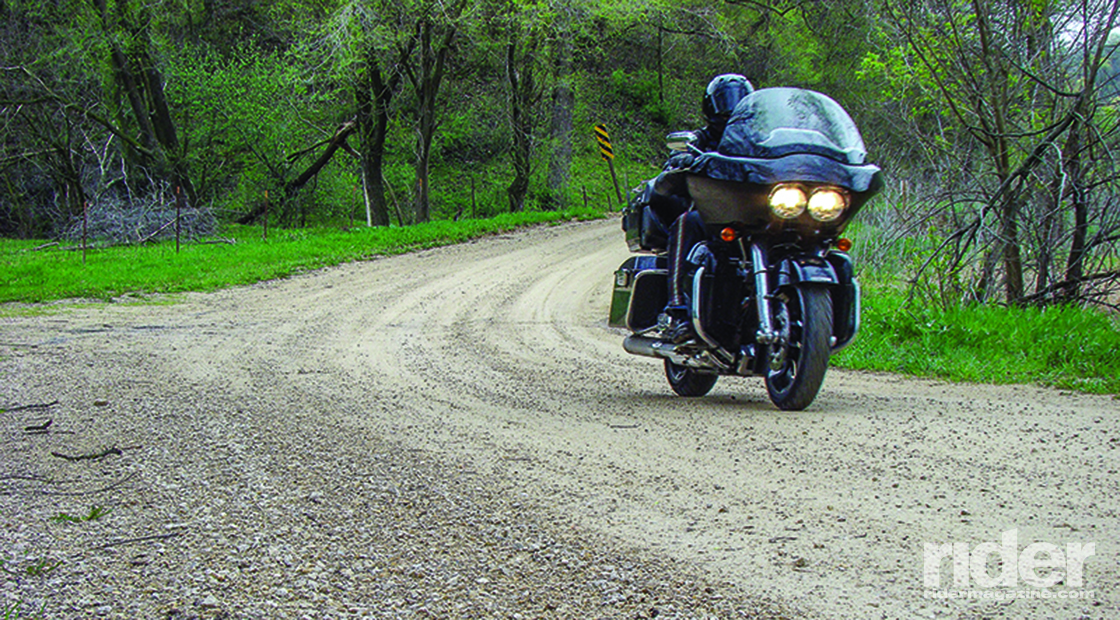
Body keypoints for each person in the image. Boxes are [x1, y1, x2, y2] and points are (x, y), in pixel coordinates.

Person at [648, 73, 754, 342]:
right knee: (688, 222)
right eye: (724, 100)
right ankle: (677, 310)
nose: (730, 107)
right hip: (717, 215)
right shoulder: (701, 140)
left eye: (738, 100)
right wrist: (681, 159)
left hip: (757, 214)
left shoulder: (760, 140)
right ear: (710, 107)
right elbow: (675, 162)